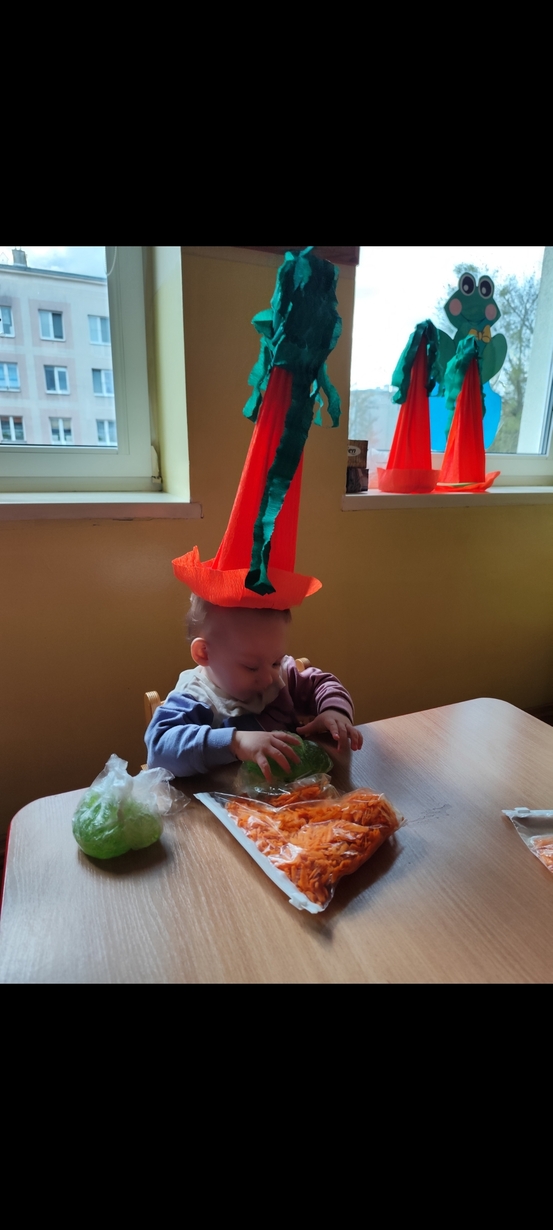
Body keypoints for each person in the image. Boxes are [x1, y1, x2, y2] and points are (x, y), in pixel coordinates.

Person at [145, 595, 363, 780]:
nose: (268, 678)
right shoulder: (195, 697)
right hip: (228, 806)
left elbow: (322, 684)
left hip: (294, 794)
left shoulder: (280, 676)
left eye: (275, 661)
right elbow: (159, 751)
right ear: (204, 653)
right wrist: (235, 742)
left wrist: (334, 712)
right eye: (251, 667)